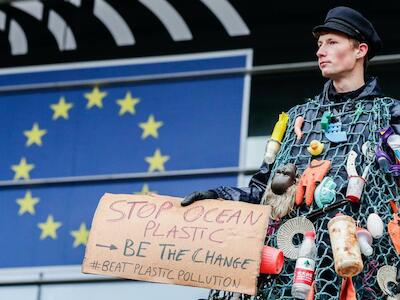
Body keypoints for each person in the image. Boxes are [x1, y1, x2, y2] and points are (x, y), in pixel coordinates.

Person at [182, 6, 400, 300]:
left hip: (364, 274)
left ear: (360, 50)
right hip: (291, 272)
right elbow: (263, 191)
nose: (321, 51)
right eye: (319, 45)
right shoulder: (299, 116)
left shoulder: (391, 114)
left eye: (332, 42)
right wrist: (218, 196)